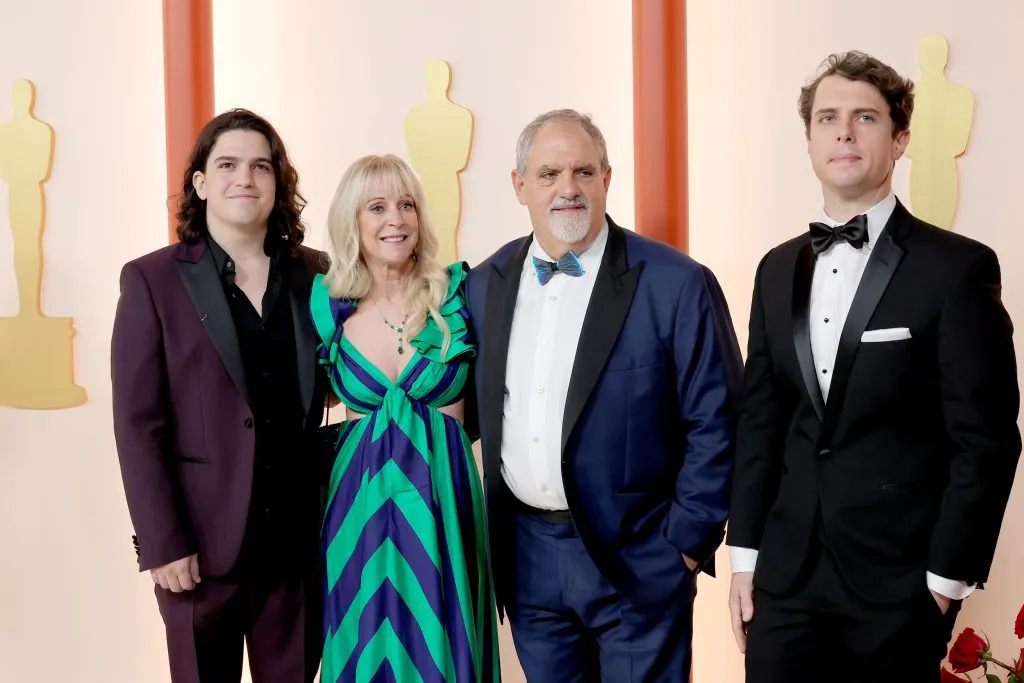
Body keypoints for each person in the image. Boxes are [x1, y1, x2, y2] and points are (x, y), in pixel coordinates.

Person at [726, 51, 1021, 683]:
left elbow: (988, 439)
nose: (844, 132)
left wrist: (944, 582)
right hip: (785, 580)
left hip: (900, 585)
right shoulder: (775, 270)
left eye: (865, 117)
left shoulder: (957, 269)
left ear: (900, 138)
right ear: (808, 140)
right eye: (827, 118)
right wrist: (745, 556)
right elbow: (760, 423)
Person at [465, 109, 744, 682]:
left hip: (640, 557)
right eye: (548, 174)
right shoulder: (484, 284)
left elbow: (718, 423)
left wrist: (683, 550)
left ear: (607, 179)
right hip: (527, 557)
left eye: (583, 172)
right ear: (519, 186)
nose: (568, 188)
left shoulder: (676, 282)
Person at [111, 109, 328, 683]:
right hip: (198, 554)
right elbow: (138, 426)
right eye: (227, 164)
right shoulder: (150, 281)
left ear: (277, 184)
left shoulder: (321, 276)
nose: (245, 179)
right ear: (202, 183)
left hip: (297, 547)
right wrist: (162, 542)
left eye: (261, 166)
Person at [311, 154, 500, 683]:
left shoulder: (458, 295)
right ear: (354, 220)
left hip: (445, 507)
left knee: (445, 649)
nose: (395, 219)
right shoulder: (328, 307)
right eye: (377, 207)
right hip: (358, 516)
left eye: (406, 205)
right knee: (361, 651)